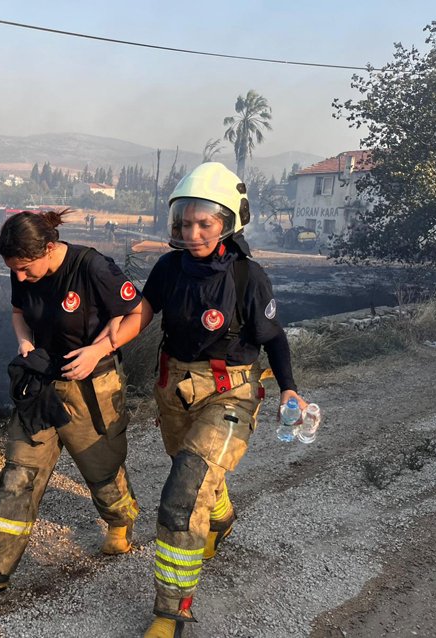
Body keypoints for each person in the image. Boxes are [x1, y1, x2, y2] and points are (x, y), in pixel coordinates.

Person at [107, 163, 308, 637]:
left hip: (231, 393)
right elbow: (142, 313)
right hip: (174, 389)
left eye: (204, 224)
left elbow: (274, 338)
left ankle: (170, 611)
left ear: (229, 222)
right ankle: (221, 518)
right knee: (190, 468)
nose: (191, 234)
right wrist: (103, 345)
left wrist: (289, 388)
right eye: (184, 224)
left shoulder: (248, 277)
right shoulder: (169, 267)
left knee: (182, 494)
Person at [0, 209, 144, 601]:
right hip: (40, 386)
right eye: (13, 270)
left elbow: (139, 313)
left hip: (90, 387)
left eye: (25, 268)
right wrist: (24, 340)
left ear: (49, 248)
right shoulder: (21, 269)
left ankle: (120, 522)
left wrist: (100, 349)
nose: (20, 277)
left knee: (102, 471)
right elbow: (19, 313)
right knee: (18, 474)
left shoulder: (91, 267)